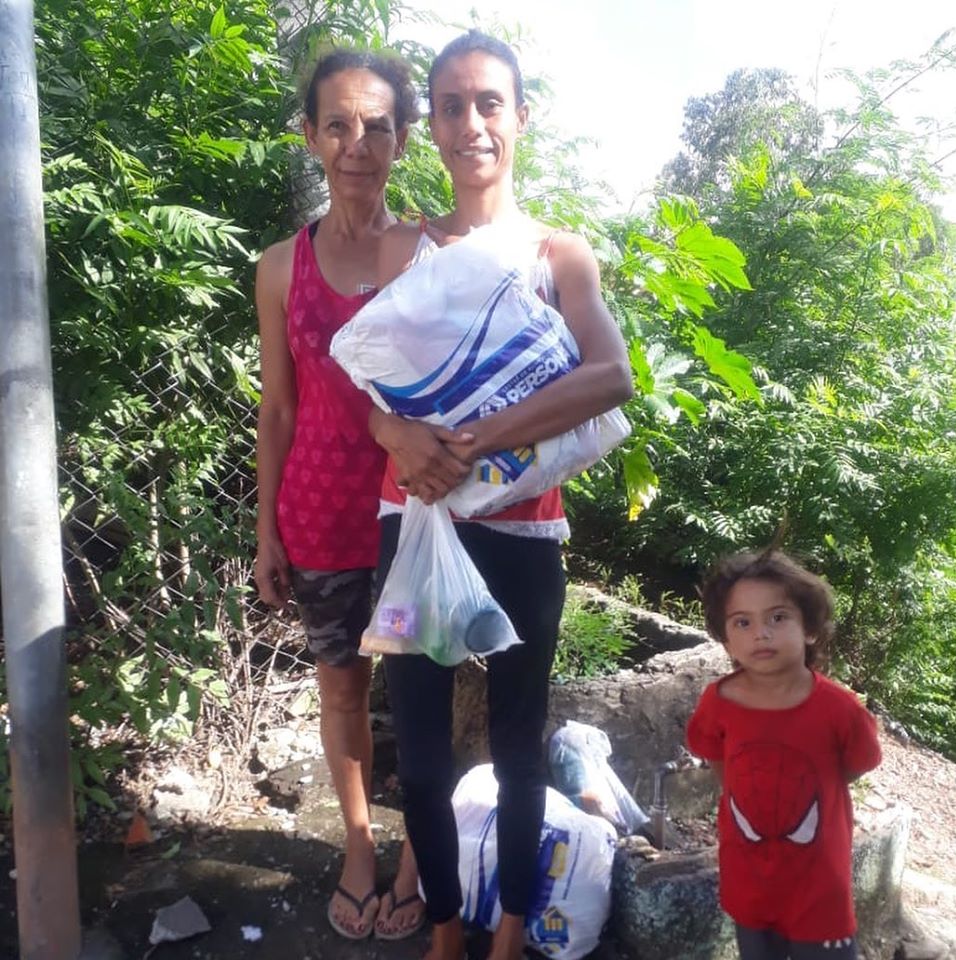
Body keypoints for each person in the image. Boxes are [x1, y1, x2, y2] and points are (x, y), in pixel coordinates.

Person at [367, 30, 634, 960]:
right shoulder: (404, 249)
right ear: (431, 126)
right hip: (415, 526)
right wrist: (396, 434)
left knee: (518, 751)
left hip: (522, 536)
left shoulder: (559, 254)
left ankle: (510, 934)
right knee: (423, 759)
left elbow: (611, 376)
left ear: (521, 117)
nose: (471, 123)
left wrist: (476, 439)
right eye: (451, 106)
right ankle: (446, 931)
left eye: (489, 104)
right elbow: (367, 387)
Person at [253, 47, 427, 941]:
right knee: (343, 693)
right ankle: (360, 848)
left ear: (404, 140)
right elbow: (279, 408)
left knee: (424, 698)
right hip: (320, 515)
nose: (358, 144)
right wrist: (266, 531)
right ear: (310, 136)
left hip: (419, 514)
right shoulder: (281, 266)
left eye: (378, 126)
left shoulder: (431, 253)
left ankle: (420, 858)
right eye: (338, 124)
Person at [687, 550, 882, 960]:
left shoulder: (841, 711)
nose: (761, 633)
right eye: (743, 622)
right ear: (726, 639)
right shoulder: (717, 702)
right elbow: (722, 765)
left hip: (819, 885)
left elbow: (857, 764)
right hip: (748, 877)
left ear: (809, 628)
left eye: (778, 617)